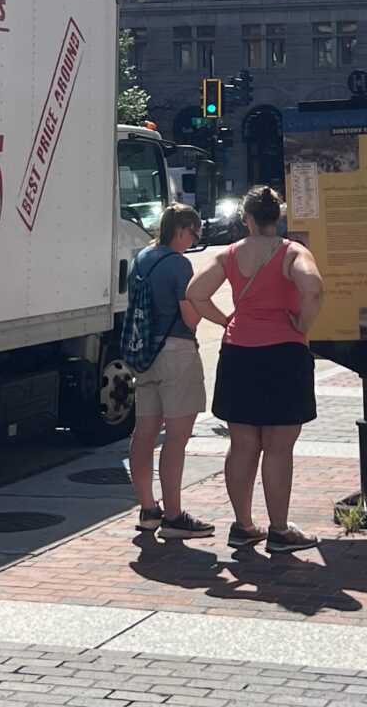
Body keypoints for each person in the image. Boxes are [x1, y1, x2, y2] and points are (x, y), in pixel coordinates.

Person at [186, 185, 326, 551]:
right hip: (283, 354)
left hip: (238, 353)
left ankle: (243, 524)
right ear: (276, 218)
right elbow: (313, 287)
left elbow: (195, 292)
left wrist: (224, 320)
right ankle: (279, 529)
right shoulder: (291, 252)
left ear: (246, 218)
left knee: (242, 443)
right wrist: (302, 323)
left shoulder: (229, 255)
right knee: (279, 447)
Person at [127, 204, 217, 538]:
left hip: (144, 355)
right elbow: (191, 319)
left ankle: (149, 509)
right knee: (176, 438)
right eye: (195, 234)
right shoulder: (179, 265)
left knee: (144, 434)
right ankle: (175, 517)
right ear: (182, 230)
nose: (195, 240)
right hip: (176, 353)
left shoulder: (141, 259)